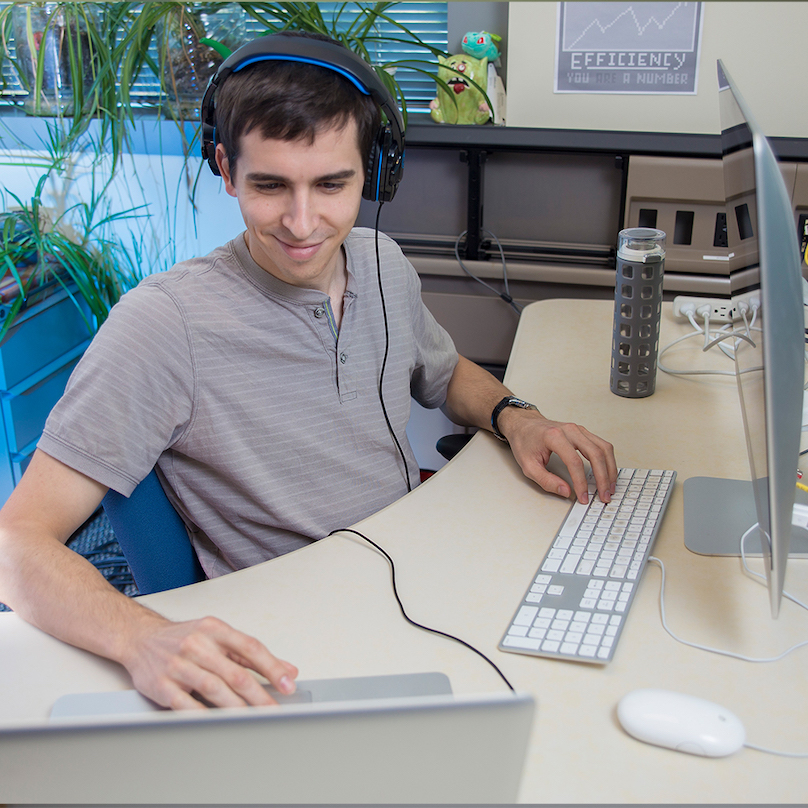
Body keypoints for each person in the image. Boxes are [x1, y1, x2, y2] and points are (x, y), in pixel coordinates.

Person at [0, 33, 617, 711]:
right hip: (302, 642)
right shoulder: (164, 325)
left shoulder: (382, 263)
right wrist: (141, 638)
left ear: (374, 175)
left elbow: (444, 375)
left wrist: (517, 417)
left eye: (332, 184)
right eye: (270, 185)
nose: (302, 223)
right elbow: (16, 543)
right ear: (226, 170)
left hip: (413, 576)